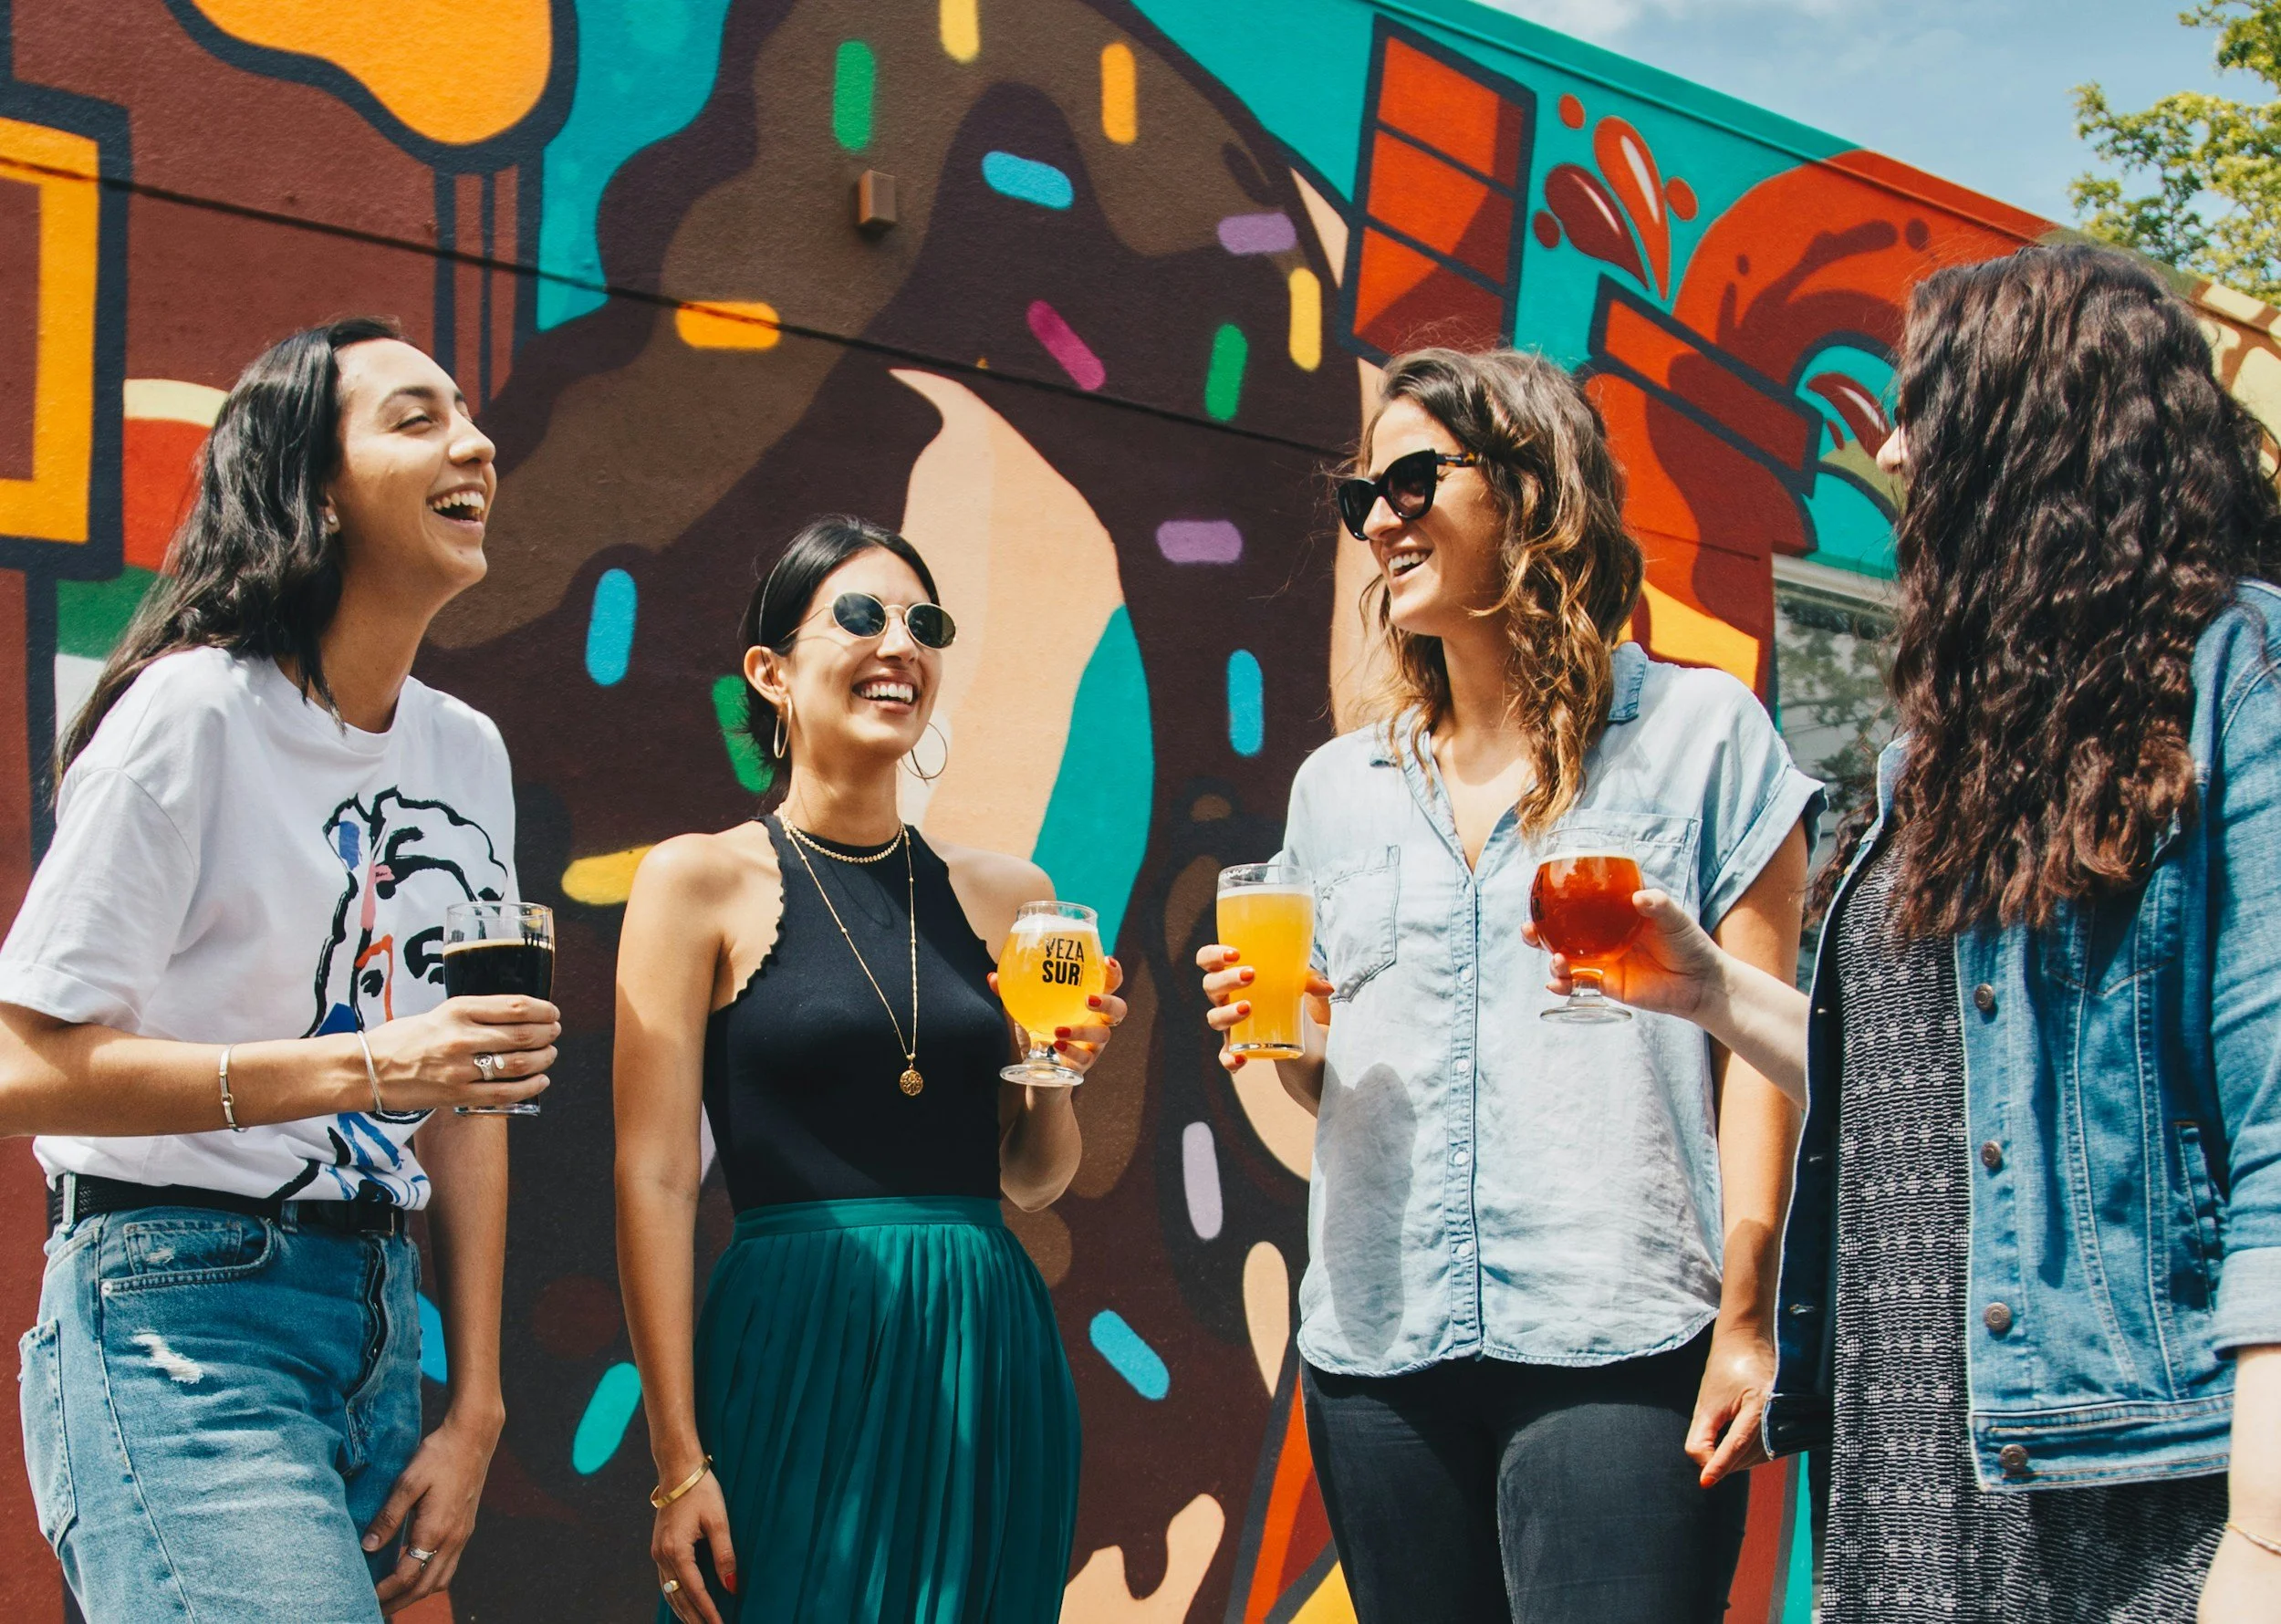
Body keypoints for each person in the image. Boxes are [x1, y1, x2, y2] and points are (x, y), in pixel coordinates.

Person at [1532, 245, 2281, 1621]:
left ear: (2033, 429)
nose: (1887, 448)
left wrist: (2269, 1539)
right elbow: (1913, 1099)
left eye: (1920, 408)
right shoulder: (1940, 756)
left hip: (2124, 1479)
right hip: (1907, 1451)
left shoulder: (2240, 680)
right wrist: (1708, 989)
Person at [1196, 348, 1823, 1622]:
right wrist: (1289, 1042)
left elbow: (1766, 1064)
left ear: (1536, 490)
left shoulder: (1705, 739)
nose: (1381, 517)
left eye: (1417, 476)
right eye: (1362, 493)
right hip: (1379, 1354)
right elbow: (1343, 1083)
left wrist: (1749, 1321)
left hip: (1625, 1340)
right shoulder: (1336, 790)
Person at [0, 318, 555, 1621]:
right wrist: (368, 1065)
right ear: (312, 488)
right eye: (415, 419)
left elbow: (469, 1098)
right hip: (176, 1315)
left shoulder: (467, 754)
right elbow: (24, 1065)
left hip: (377, 1322)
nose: (472, 440)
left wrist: (473, 1405)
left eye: (467, 414)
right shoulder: (194, 716)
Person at [614, 516, 1121, 1624]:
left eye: (923, 623)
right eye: (858, 614)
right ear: (771, 671)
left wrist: (1056, 1072)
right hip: (796, 1340)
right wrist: (677, 1458)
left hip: (984, 1341)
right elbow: (653, 1179)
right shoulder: (695, 881)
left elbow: (1034, 1178)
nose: (900, 643)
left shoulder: (1014, 893)